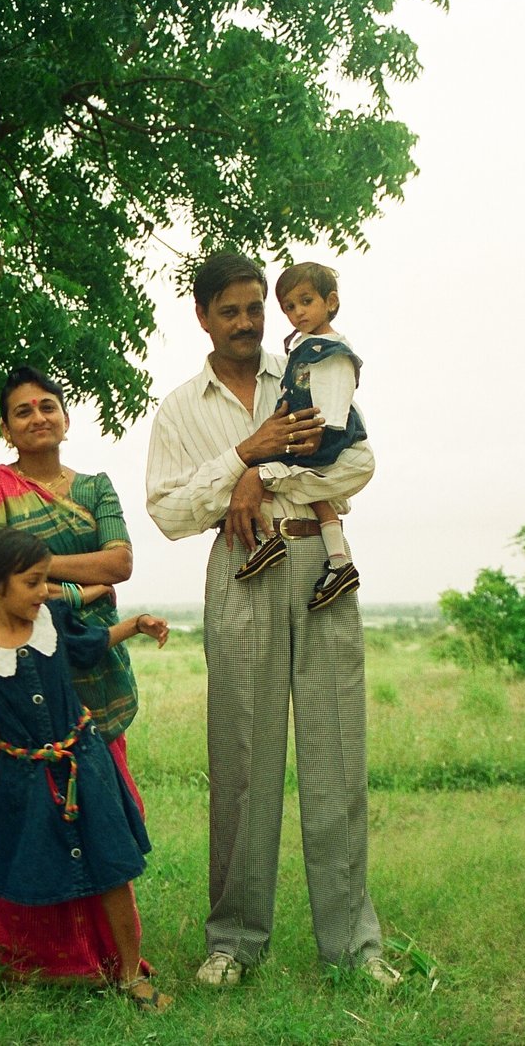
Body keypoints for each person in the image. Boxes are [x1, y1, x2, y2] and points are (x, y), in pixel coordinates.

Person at [145, 252, 398, 988]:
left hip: (320, 562)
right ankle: (233, 942)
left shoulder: (304, 370)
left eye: (257, 307)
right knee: (242, 762)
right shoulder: (181, 408)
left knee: (336, 754)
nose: (250, 322)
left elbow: (356, 458)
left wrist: (267, 476)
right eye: (231, 310)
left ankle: (354, 947)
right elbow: (167, 513)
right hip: (240, 569)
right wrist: (240, 460)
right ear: (202, 317)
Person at [0, 366, 149, 982]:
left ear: (65, 416)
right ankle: (37, 958)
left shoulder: (95, 489)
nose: (38, 417)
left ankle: (112, 958)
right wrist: (70, 581)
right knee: (26, 820)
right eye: (23, 411)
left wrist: (27, 564)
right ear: (4, 427)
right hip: (13, 673)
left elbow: (121, 562)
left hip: (88, 666)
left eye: (48, 406)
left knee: (99, 811)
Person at [0, 526, 173, 1012]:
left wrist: (137, 624)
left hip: (85, 764)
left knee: (113, 866)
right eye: (33, 582)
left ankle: (129, 975)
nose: (45, 592)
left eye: (44, 582)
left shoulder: (53, 620)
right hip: (20, 778)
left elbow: (93, 644)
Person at [233, 261, 366, 611]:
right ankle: (339, 563)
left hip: (320, 432)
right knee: (315, 493)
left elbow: (338, 395)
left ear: (330, 302)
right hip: (305, 427)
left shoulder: (334, 351)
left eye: (306, 302)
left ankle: (269, 540)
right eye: (289, 307)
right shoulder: (306, 344)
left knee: (265, 469)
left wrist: (322, 435)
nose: (297, 312)